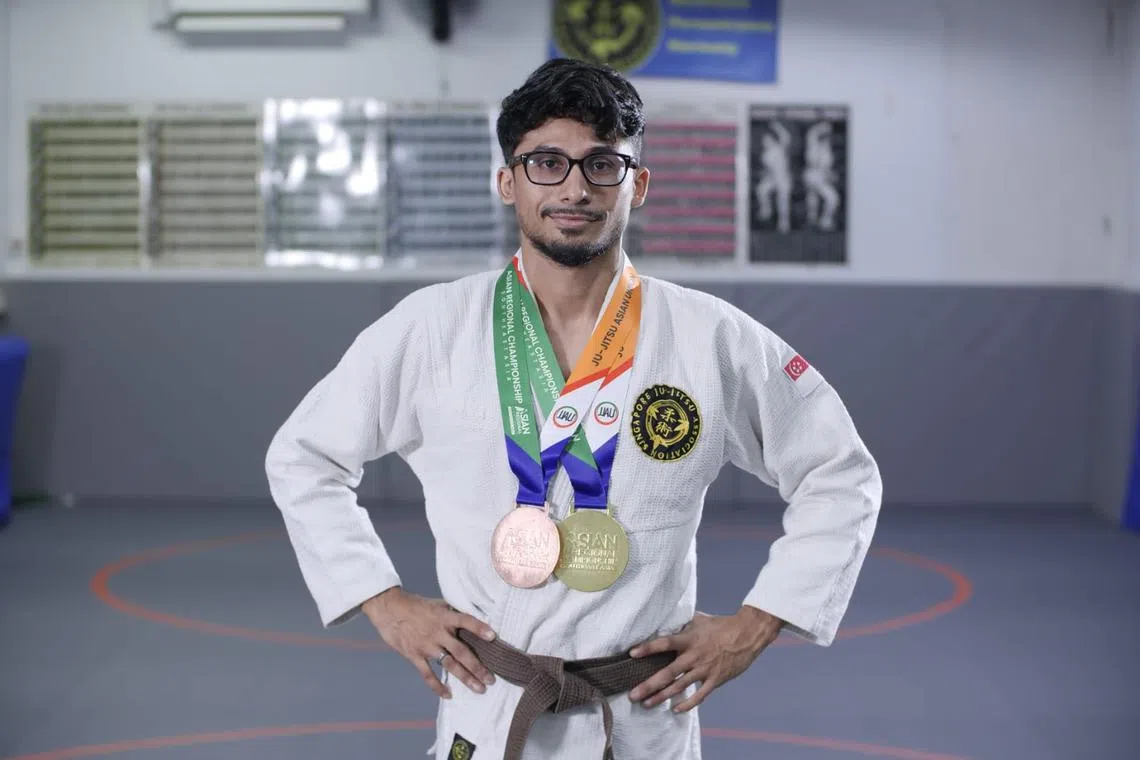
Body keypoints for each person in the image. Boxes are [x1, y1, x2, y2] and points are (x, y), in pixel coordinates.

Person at [265, 58, 882, 760]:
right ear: (508, 181)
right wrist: (380, 599)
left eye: (602, 165)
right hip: (493, 713)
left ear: (637, 184)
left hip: (642, 722)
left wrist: (759, 621)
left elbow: (840, 472)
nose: (575, 187)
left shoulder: (710, 337)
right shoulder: (431, 328)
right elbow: (304, 456)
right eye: (547, 163)